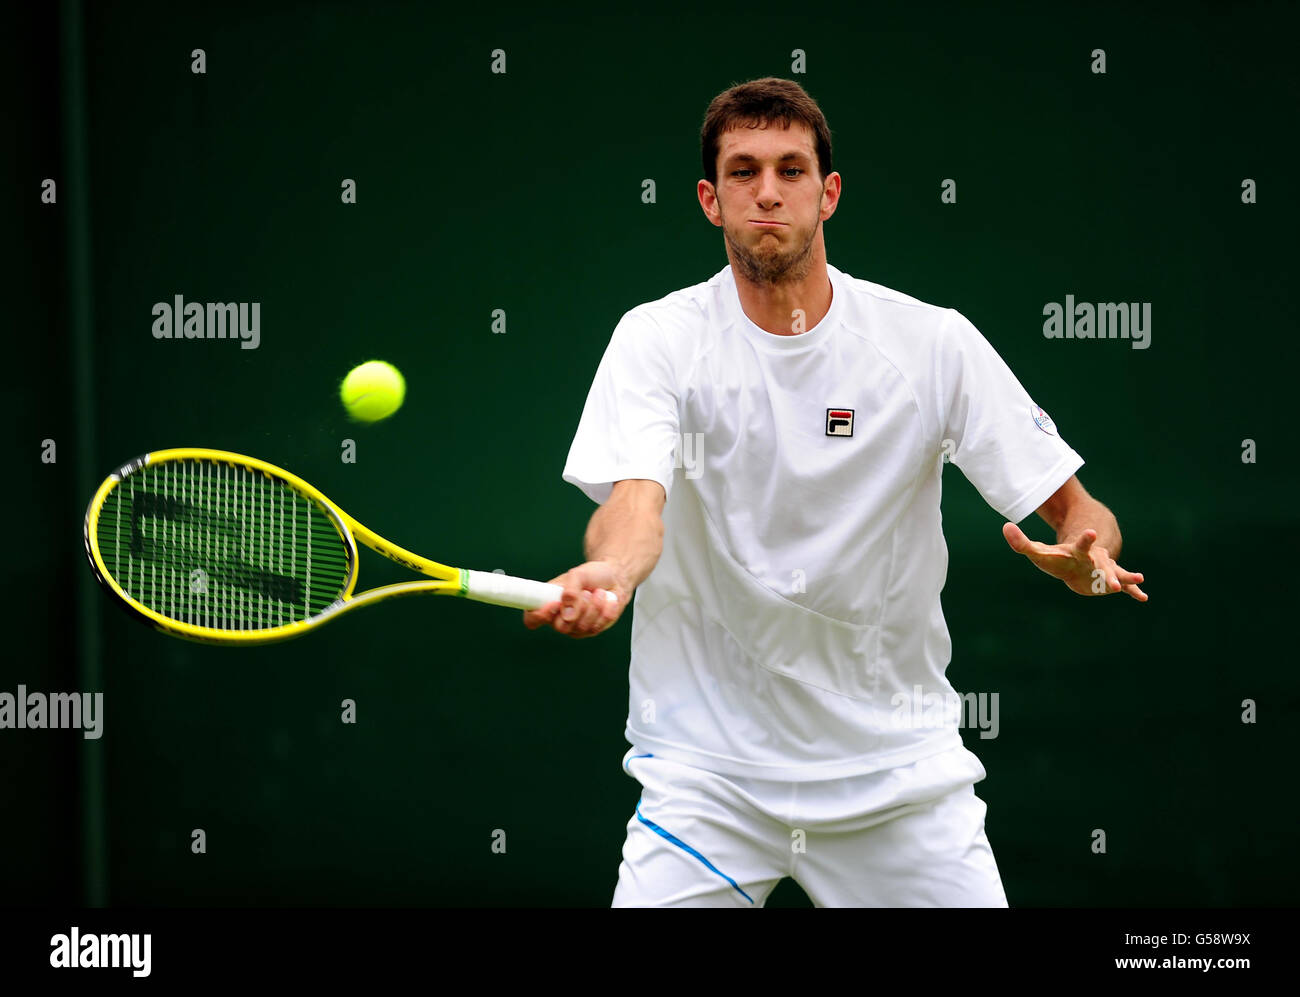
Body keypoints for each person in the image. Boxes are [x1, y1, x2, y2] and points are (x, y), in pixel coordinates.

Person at [523, 76, 1147, 907]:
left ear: (830, 192)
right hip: (708, 779)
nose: (768, 191)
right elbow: (637, 503)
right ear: (711, 200)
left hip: (898, 777)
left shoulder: (930, 343)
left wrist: (1088, 552)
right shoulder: (657, 340)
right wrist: (612, 572)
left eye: (791, 168)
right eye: (743, 172)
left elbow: (1077, 509)